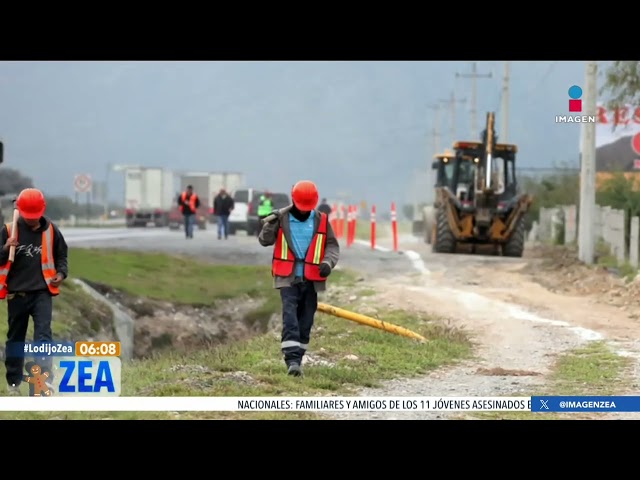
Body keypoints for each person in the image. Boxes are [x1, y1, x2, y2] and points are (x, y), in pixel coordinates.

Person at [258, 180, 340, 377]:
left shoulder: (321, 220)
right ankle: (292, 360)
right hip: (288, 278)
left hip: (312, 279)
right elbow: (264, 240)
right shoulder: (281, 218)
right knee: (290, 317)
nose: (303, 212)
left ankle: (299, 357)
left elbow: (332, 246)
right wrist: (271, 223)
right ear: (293, 200)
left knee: (306, 320)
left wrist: (328, 263)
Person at [0, 188, 68, 396]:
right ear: (19, 210)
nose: (31, 221)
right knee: (15, 339)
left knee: (43, 337)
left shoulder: (52, 231)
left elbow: (62, 256)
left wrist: (61, 274)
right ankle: (14, 383)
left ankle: (44, 382)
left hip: (42, 293)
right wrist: (5, 249)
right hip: (16, 294)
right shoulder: (8, 230)